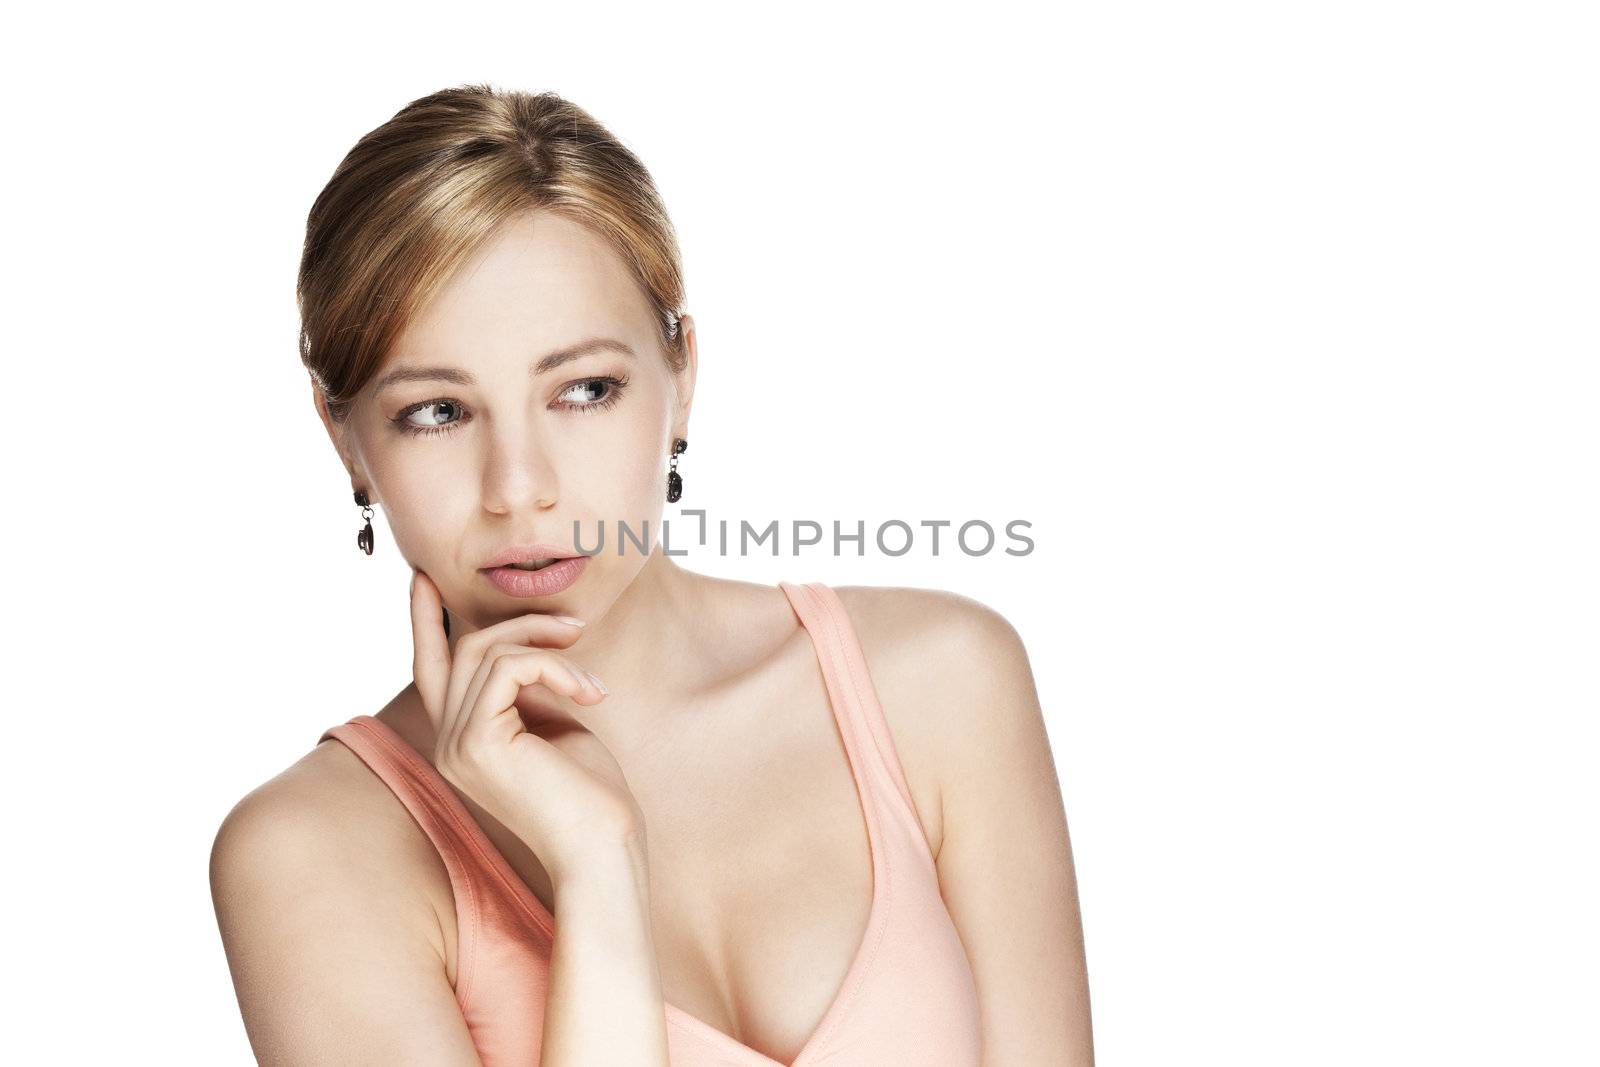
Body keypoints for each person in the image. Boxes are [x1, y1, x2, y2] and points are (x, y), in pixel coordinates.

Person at [209, 83, 1093, 1066]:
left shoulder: (939, 682)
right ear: (345, 439)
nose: (520, 487)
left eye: (584, 389)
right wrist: (595, 863)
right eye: (438, 411)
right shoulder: (309, 853)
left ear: (681, 376)